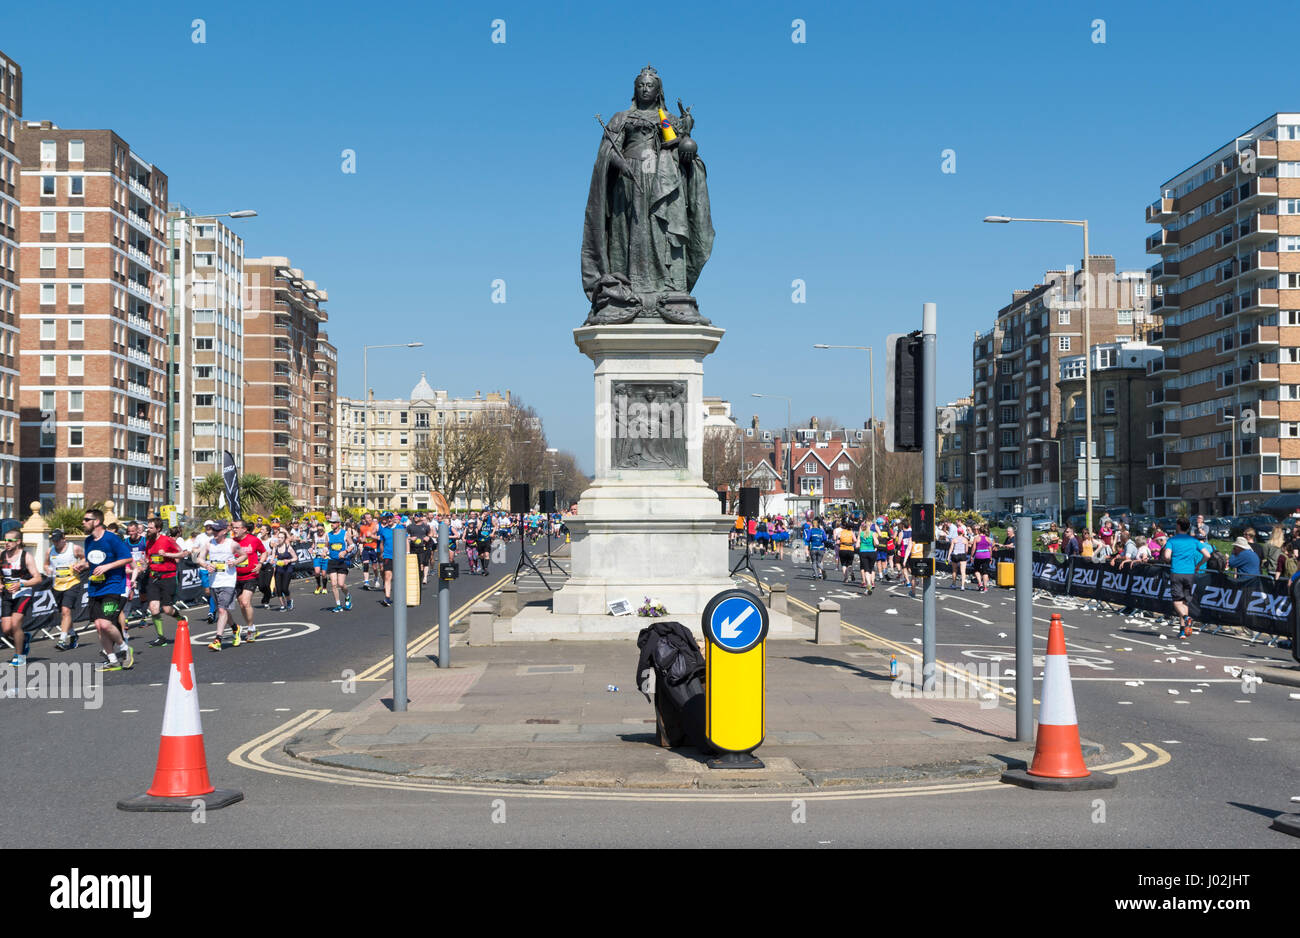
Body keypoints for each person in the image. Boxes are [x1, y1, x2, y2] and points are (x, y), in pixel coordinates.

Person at [79, 509, 135, 671]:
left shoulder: (112, 539)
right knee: (98, 625)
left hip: (113, 586)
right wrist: (83, 565)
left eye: (86, 519)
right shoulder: (88, 541)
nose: (83, 522)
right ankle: (112, 660)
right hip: (95, 588)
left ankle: (125, 648)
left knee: (104, 624)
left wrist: (107, 566)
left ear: (96, 522)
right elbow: (94, 561)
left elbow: (127, 558)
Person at [198, 521, 248, 650]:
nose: (214, 532)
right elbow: (199, 558)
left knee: (221, 610)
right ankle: (235, 628)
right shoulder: (209, 544)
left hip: (228, 581)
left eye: (217, 530)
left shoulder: (232, 544)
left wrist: (235, 561)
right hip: (214, 581)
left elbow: (244, 555)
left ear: (224, 531)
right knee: (222, 609)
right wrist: (206, 565)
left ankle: (217, 640)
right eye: (213, 530)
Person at [142, 516, 189, 647]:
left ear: (158, 529)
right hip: (153, 577)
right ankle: (161, 637)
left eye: (151, 528)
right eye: (148, 527)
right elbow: (148, 558)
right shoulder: (148, 542)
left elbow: (184, 553)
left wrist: (167, 555)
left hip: (168, 577)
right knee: (153, 608)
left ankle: (181, 619)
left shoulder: (167, 540)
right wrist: (143, 565)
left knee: (167, 609)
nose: (148, 530)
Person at [1163, 518, 1211, 640]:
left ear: (1178, 526)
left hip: (1177, 572)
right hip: (1190, 573)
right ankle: (1183, 630)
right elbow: (1207, 555)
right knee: (1184, 601)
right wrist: (1198, 565)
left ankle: (1185, 618)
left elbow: (1167, 556)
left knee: (1176, 601)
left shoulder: (1172, 540)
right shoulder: (1193, 540)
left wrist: (1170, 560)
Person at [1, 530, 41, 666]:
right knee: (6, 629)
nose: (6, 543)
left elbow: (38, 578)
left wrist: (21, 584)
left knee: (15, 624)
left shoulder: (26, 556)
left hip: (23, 593)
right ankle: (23, 638)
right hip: (7, 594)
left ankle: (19, 656)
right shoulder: (2, 555)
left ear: (18, 542)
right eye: (5, 540)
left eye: (10, 541)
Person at [48, 529, 85, 651]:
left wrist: (80, 564)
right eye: (54, 540)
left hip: (72, 583)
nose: (56, 543)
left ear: (64, 539)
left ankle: (62, 640)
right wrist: (47, 569)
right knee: (64, 614)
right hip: (57, 585)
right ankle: (73, 635)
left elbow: (85, 558)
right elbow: (45, 564)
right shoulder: (50, 551)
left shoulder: (74, 548)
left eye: (58, 540)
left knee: (65, 611)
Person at [230, 518, 266, 643]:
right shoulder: (232, 542)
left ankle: (250, 629)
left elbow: (264, 552)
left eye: (236, 528)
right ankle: (252, 627)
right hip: (236, 577)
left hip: (251, 575)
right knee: (241, 604)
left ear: (244, 529)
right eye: (233, 527)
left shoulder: (253, 540)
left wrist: (260, 563)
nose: (234, 530)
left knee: (245, 602)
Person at [326, 514, 354, 612]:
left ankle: (347, 596)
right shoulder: (328, 534)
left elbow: (352, 545)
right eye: (331, 523)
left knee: (341, 584)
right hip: (332, 561)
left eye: (333, 523)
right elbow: (326, 546)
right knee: (334, 584)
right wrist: (324, 551)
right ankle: (338, 605)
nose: (332, 524)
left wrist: (345, 551)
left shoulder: (345, 533)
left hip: (342, 561)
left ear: (338, 523)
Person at [971, 526, 995, 592]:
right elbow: (990, 549)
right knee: (985, 571)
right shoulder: (988, 539)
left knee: (977, 570)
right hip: (986, 555)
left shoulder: (976, 538)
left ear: (979, 531)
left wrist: (971, 556)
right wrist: (991, 557)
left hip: (979, 555)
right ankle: (985, 587)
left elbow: (973, 548)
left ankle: (980, 583)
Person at [311, 524, 330, 594]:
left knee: (324, 574)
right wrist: (311, 548)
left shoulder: (326, 535)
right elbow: (313, 544)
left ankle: (324, 587)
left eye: (321, 530)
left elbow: (327, 545)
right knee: (317, 572)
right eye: (318, 530)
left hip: (325, 557)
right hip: (317, 556)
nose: (320, 531)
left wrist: (325, 552)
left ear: (324, 529)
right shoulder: (315, 535)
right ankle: (318, 586)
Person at [857, 521, 875, 594]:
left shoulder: (861, 534)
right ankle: (872, 582)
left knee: (866, 570)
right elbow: (877, 543)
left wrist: (861, 544)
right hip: (872, 552)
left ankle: (869, 585)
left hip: (863, 552)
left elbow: (857, 545)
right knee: (871, 569)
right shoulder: (872, 533)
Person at [949, 525, 969, 591]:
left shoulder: (954, 539)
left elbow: (951, 548)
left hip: (955, 555)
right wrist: (964, 555)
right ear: (963, 532)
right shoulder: (965, 540)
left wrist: (948, 556)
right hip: (962, 555)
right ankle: (962, 586)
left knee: (954, 570)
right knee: (963, 571)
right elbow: (966, 550)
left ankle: (954, 584)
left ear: (957, 532)